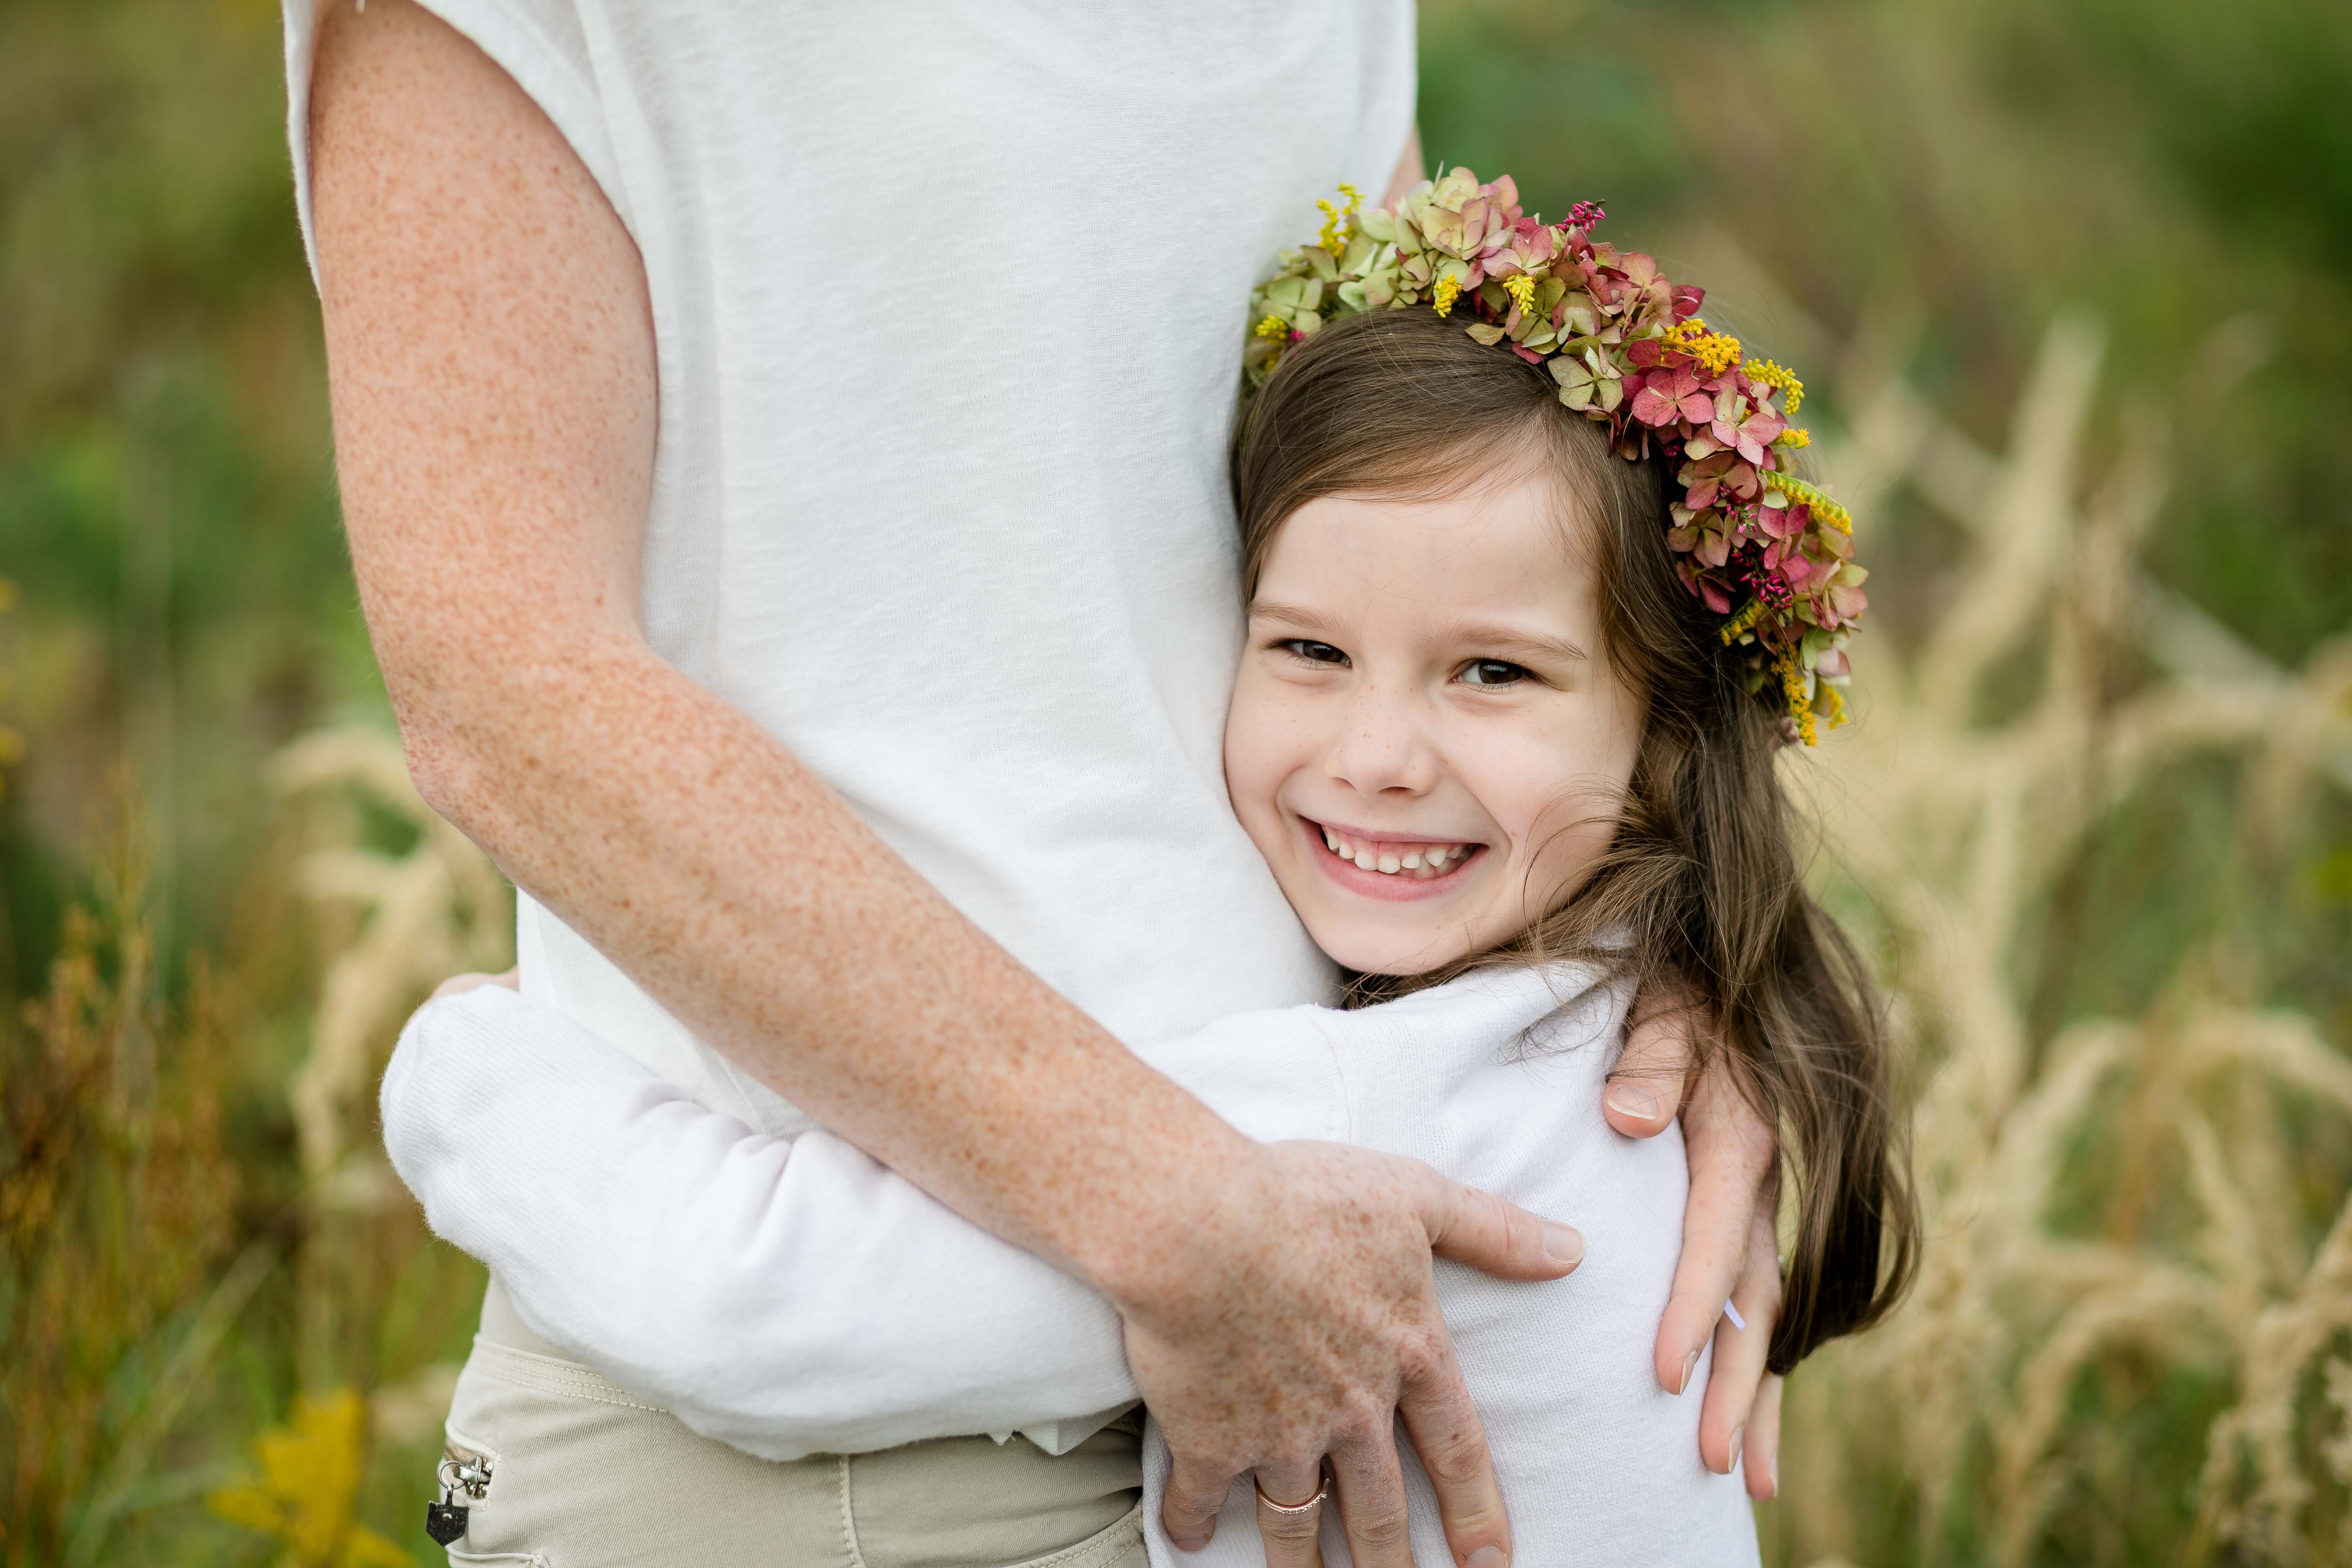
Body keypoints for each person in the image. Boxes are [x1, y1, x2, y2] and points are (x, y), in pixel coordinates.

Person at [289, 0, 1791, 1561]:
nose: (1382, 756)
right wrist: (1663, 944)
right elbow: (504, 676)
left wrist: (467, 1084)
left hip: (1122, 1310)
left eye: (1486, 680)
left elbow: (750, 1297)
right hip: (876, 1488)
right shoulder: (1534, 1097)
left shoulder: (1410, 1108)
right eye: (1312, 658)